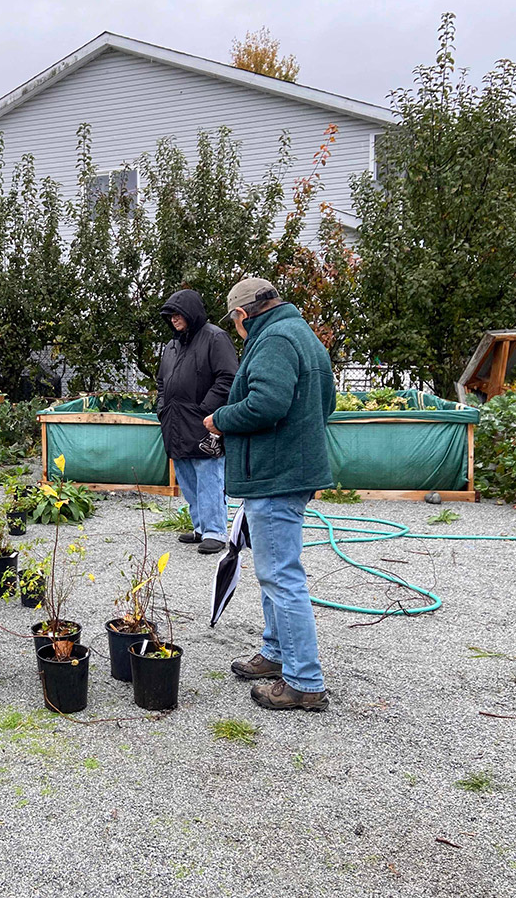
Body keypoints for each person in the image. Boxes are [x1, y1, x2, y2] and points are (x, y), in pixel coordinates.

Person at [204, 278, 336, 712]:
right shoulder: (301, 334)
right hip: (287, 471)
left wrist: (220, 419)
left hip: (276, 475)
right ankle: (277, 654)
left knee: (281, 575)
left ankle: (303, 680)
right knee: (273, 572)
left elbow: (267, 404)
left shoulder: (275, 340)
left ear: (242, 316)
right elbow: (326, 404)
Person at [155, 288, 238, 555]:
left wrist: (205, 411)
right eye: (170, 315)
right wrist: (162, 409)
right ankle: (201, 527)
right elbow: (161, 382)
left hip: (204, 424)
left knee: (210, 475)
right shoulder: (172, 345)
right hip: (175, 424)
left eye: (178, 313)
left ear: (192, 312)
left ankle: (215, 531)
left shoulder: (215, 338)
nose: (173, 319)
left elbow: (228, 378)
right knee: (188, 478)